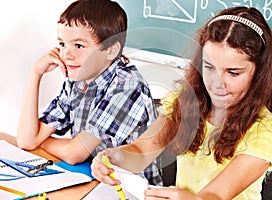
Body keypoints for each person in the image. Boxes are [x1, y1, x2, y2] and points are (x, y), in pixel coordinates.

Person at [91, 6, 272, 200]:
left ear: (259, 73)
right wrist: (115, 157)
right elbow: (142, 150)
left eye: (233, 72)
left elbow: (216, 195)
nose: (217, 84)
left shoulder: (266, 132)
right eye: (209, 67)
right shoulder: (186, 102)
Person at [16, 0, 162, 185]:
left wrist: (41, 141)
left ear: (111, 50)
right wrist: (35, 74)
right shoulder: (77, 81)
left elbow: (74, 153)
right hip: (90, 181)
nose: (66, 55)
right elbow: (26, 141)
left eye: (78, 46)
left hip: (129, 191)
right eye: (62, 44)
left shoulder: (127, 86)